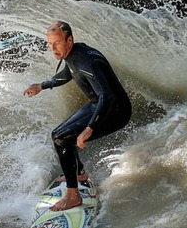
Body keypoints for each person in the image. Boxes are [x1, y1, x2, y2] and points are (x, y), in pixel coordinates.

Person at [24, 21, 132, 211]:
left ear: (69, 39)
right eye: (50, 44)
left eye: (57, 43)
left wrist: (89, 128)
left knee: (62, 139)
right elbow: (68, 73)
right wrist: (41, 85)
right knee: (58, 134)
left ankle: (73, 196)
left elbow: (107, 96)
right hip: (97, 104)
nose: (53, 48)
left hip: (115, 111)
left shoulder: (86, 62)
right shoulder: (74, 54)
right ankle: (80, 173)